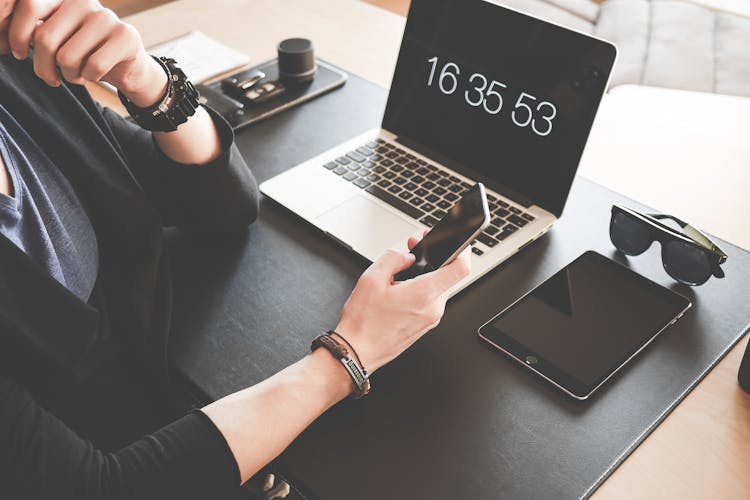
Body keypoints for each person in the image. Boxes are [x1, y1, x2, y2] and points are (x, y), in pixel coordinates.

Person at [0, 1, 471, 498]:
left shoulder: (21, 76)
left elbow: (222, 206)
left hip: (158, 396)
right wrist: (350, 355)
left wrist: (148, 81)